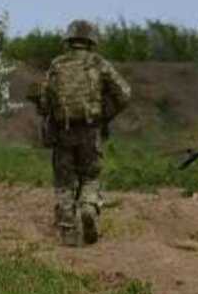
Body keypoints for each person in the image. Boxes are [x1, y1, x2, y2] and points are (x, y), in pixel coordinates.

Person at [31, 19, 132, 246]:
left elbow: (44, 101)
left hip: (63, 131)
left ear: (68, 39)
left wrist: (50, 113)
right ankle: (88, 208)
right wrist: (106, 114)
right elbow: (125, 93)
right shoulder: (98, 63)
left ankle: (67, 231)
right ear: (91, 40)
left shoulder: (56, 65)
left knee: (65, 181)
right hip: (91, 130)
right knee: (90, 176)